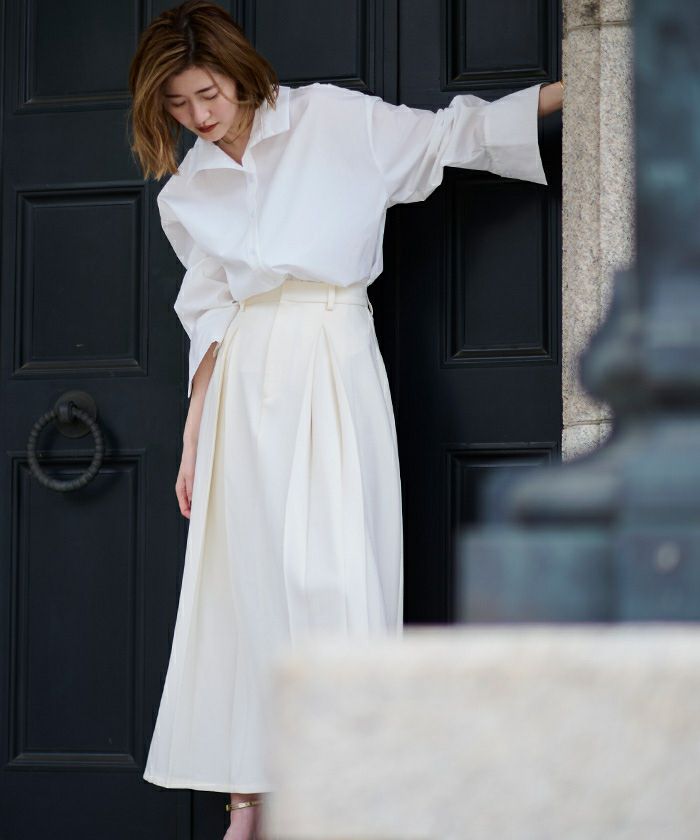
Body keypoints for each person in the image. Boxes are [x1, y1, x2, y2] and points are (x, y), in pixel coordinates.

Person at [128, 1, 563, 837]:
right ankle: (246, 798)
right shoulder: (189, 190)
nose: (199, 117)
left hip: (330, 354)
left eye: (208, 94)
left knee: (335, 569)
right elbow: (209, 311)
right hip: (243, 379)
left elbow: (450, 135)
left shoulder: (329, 119)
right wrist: (193, 431)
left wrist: (578, 89)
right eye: (177, 105)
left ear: (239, 73)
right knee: (243, 578)